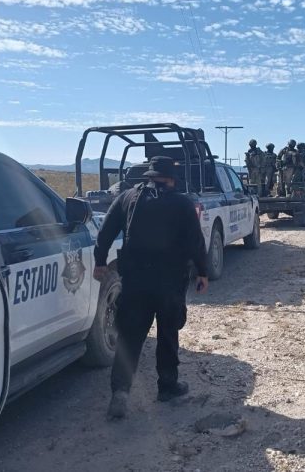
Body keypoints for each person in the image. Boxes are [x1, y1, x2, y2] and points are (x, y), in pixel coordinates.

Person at [93, 156, 209, 420]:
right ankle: (167, 386)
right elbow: (195, 241)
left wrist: (100, 262)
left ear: (149, 175)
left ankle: (120, 392)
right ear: (171, 178)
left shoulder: (127, 198)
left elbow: (106, 231)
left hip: (135, 280)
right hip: (169, 281)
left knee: (130, 336)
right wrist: (202, 271)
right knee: (168, 333)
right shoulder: (182, 203)